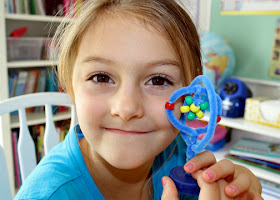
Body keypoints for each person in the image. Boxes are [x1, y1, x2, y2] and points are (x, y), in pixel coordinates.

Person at [15, 0, 263, 199]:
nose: (126, 108)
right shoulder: (48, 194)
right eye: (101, 77)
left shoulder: (178, 155)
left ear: (189, 95)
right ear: (69, 85)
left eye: (158, 80)